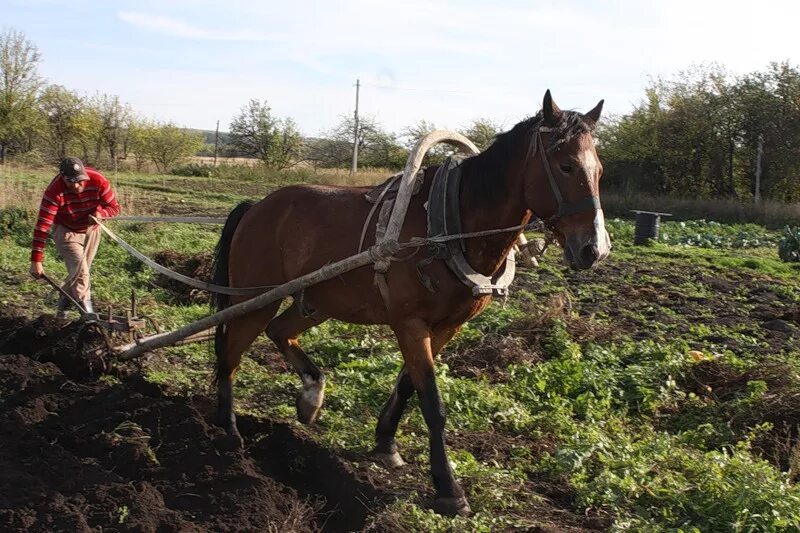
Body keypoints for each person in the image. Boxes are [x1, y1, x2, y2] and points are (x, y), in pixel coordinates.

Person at [29, 157, 120, 317]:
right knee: (82, 273)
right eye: (72, 182)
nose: (78, 186)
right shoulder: (54, 192)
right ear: (63, 177)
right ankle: (89, 316)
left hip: (92, 230)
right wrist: (36, 261)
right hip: (66, 231)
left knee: (79, 272)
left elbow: (114, 208)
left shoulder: (98, 180)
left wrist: (101, 214)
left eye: (81, 181)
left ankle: (63, 302)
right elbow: (42, 227)